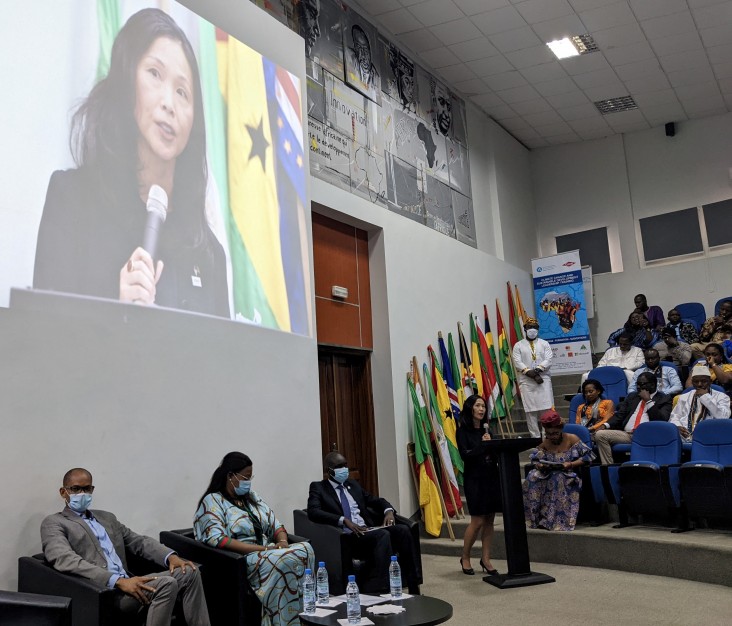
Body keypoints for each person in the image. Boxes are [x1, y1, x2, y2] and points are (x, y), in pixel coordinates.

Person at [34, 8, 229, 318]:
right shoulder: (71, 199)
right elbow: (42, 338)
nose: (169, 103)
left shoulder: (208, 251)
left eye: (183, 92)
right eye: (154, 73)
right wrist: (117, 310)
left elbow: (224, 361)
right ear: (127, 80)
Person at [41, 468, 210, 626]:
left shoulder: (107, 518)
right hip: (106, 590)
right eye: (76, 489)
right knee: (167, 583)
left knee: (189, 571)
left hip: (130, 581)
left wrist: (171, 557)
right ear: (64, 492)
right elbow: (65, 559)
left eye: (87, 489)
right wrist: (118, 581)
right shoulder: (55, 522)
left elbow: (139, 542)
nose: (82, 494)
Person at [194, 452, 314, 626]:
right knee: (284, 560)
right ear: (230, 476)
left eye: (251, 477)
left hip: (270, 551)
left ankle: (307, 618)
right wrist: (264, 550)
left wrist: (282, 543)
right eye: (246, 477)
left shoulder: (252, 498)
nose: (248, 482)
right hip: (243, 559)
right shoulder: (213, 501)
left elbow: (277, 526)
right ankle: (282, 621)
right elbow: (219, 540)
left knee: (306, 549)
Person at [306, 451, 421, 593]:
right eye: (339, 466)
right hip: (349, 537)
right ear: (328, 471)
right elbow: (313, 511)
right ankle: (384, 589)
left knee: (403, 530)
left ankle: (413, 584)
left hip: (368, 530)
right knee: (383, 535)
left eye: (345, 465)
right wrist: (344, 521)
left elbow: (376, 500)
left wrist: (389, 511)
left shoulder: (353, 485)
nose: (344, 469)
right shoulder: (319, 488)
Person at [523, 410, 594, 531]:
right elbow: (535, 459)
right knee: (532, 476)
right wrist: (540, 466)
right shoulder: (546, 442)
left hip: (569, 473)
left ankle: (558, 521)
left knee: (559, 477)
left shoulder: (572, 439)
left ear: (561, 429)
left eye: (555, 433)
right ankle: (538, 518)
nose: (552, 436)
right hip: (549, 473)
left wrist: (571, 463)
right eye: (549, 434)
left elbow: (589, 457)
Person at [456, 395, 501, 576]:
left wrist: (493, 445)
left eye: (483, 406)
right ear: (470, 408)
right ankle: (465, 557)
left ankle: (486, 559)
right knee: (477, 520)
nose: (481, 409)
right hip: (474, 479)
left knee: (490, 519)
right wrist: (483, 445)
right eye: (478, 406)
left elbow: (496, 453)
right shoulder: (463, 432)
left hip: (491, 477)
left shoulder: (488, 429)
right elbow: (466, 456)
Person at [594, 372, 673, 464]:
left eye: (642, 384)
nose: (638, 387)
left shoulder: (664, 398)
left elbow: (661, 420)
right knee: (600, 435)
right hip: (628, 434)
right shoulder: (632, 396)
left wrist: (648, 401)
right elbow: (620, 415)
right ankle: (608, 469)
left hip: (647, 435)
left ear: (652, 384)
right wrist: (605, 425)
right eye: (637, 384)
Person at [512, 317, 554, 438]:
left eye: (535, 327)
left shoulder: (544, 344)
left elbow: (549, 359)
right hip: (526, 380)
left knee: (546, 409)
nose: (532, 330)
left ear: (538, 329)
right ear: (525, 329)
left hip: (543, 379)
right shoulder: (518, 345)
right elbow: (517, 362)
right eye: (530, 327)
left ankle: (547, 437)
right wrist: (531, 374)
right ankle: (535, 438)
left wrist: (538, 369)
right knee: (530, 411)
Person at [669, 364, 731, 441]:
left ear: (710, 382)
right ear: (692, 382)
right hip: (684, 436)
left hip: (710, 436)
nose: (699, 384)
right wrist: (677, 427)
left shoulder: (722, 397)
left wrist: (705, 397)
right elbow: (674, 416)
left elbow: (723, 417)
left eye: (704, 381)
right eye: (696, 381)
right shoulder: (684, 397)